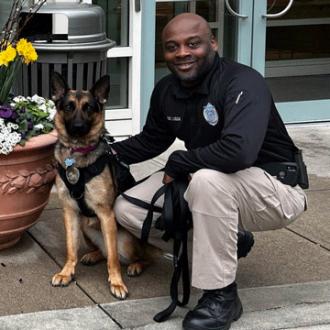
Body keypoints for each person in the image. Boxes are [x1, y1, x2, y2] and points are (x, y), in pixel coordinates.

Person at [112, 13, 307, 330]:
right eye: (172, 47)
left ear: (212, 43)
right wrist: (101, 151)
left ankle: (221, 297)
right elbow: (151, 140)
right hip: (216, 183)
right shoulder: (166, 90)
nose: (182, 53)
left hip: (275, 187)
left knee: (206, 180)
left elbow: (239, 151)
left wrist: (181, 162)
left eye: (193, 44)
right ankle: (229, 242)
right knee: (127, 208)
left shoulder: (243, 82)